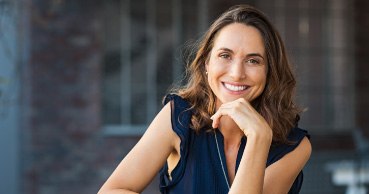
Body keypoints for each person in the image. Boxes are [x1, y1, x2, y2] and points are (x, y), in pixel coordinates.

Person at [98, 4, 312, 194]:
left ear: (269, 72)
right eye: (225, 56)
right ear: (206, 64)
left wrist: (259, 138)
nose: (237, 73)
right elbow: (113, 190)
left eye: (253, 60)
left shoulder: (295, 145)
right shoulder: (179, 116)